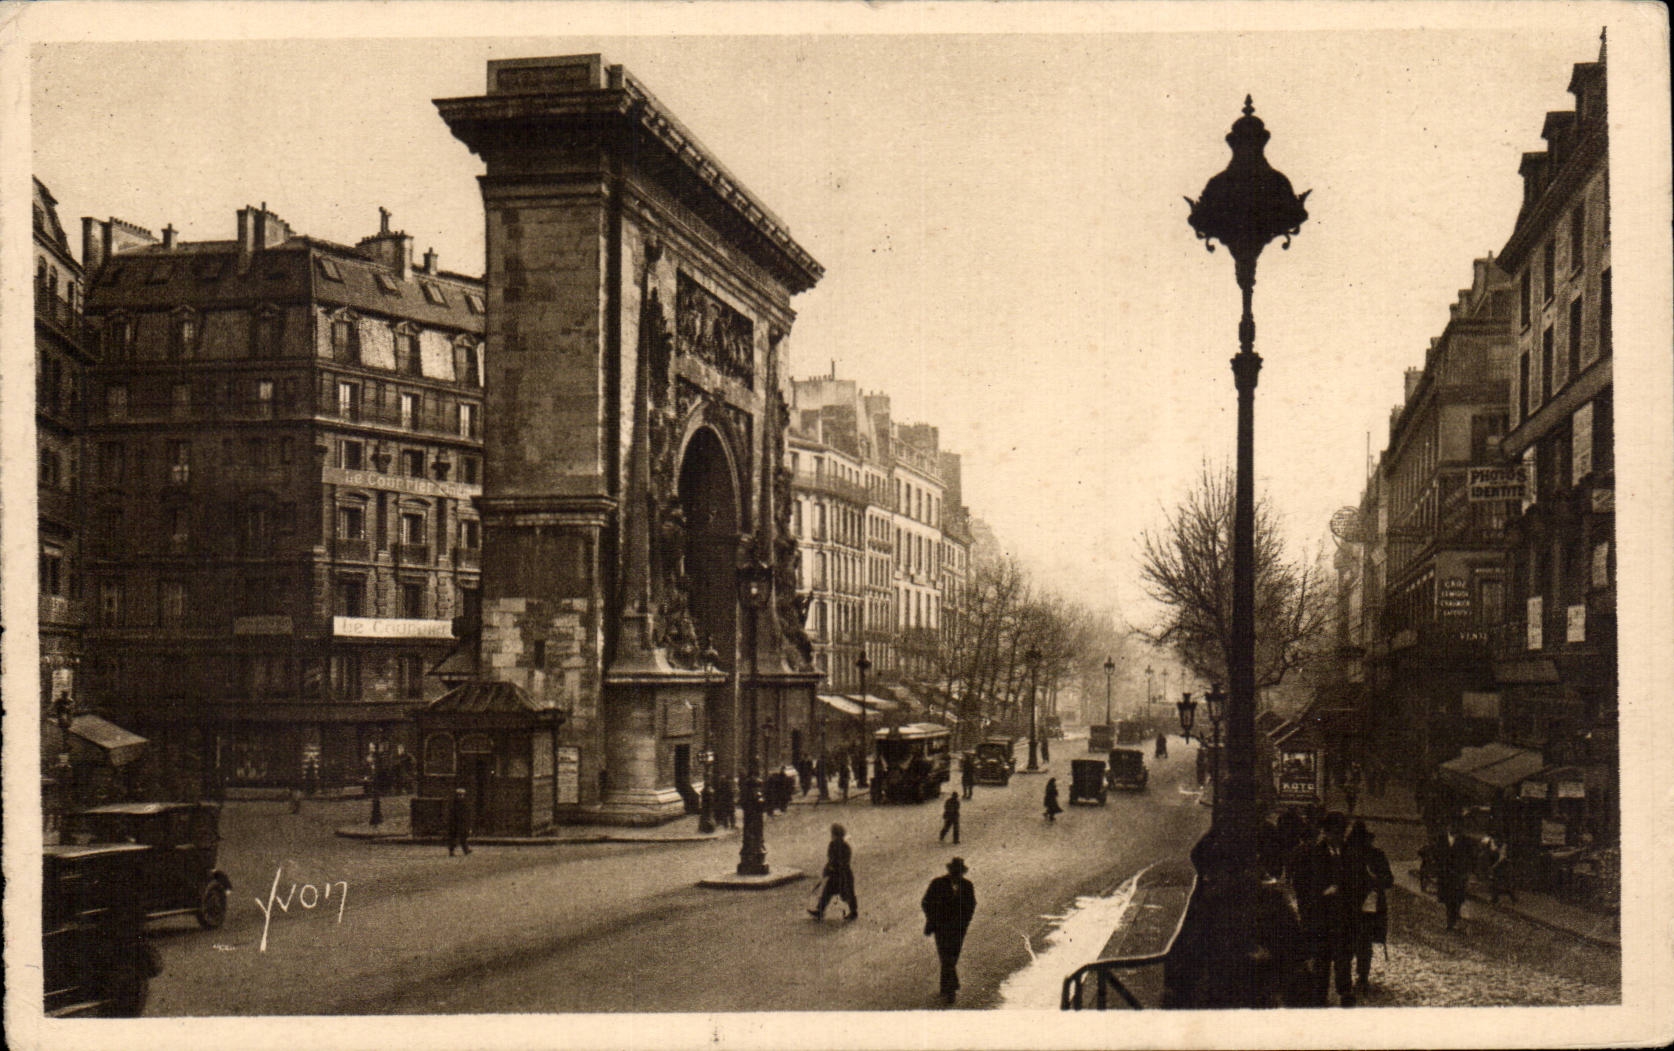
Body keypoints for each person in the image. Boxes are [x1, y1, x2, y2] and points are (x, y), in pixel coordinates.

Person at [1289, 810, 1355, 1006]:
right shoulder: (1312, 855)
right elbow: (1302, 887)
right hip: (1320, 916)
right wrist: (1322, 894)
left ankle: (1345, 993)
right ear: (1325, 833)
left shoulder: (1350, 853)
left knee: (1343, 957)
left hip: (1343, 916)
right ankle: (1320, 996)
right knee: (1322, 958)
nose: (1338, 837)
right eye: (1334, 833)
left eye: (1341, 833)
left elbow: (1358, 880)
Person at [1344, 820, 1393, 996]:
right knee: (1350, 942)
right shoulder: (1346, 855)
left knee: (1362, 943)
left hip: (1367, 908)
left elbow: (1388, 880)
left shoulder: (1376, 856)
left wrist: (1375, 880)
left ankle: (1362, 977)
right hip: (1349, 907)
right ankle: (1350, 976)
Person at [921, 857, 977, 1005]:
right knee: (947, 957)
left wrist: (965, 921)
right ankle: (951, 988)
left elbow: (971, 905)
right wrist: (932, 919)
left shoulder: (967, 886)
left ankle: (945, 986)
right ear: (950, 872)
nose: (957, 875)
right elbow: (926, 902)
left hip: (958, 928)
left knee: (951, 957)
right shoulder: (938, 884)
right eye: (955, 872)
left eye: (959, 873)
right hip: (941, 927)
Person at [809, 823, 858, 921]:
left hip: (844, 875)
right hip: (835, 875)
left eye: (834, 834)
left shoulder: (845, 847)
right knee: (827, 891)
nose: (833, 836)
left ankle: (853, 912)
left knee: (847, 893)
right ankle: (820, 910)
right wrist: (827, 869)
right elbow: (830, 859)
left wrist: (832, 868)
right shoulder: (833, 845)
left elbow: (844, 862)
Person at [1435, 821, 1475, 931]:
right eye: (1451, 825)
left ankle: (1454, 918)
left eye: (1455, 826)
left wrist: (1467, 872)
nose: (1453, 828)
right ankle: (1450, 921)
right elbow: (1437, 854)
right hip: (1445, 875)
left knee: (1457, 898)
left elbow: (1469, 857)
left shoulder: (1465, 841)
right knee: (1448, 899)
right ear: (1447, 827)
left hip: (1459, 875)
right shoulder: (1442, 839)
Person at [1484, 834, 1517, 905]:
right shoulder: (1496, 845)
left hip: (1503, 867)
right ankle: (1495, 898)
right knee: (1496, 882)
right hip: (1499, 867)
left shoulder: (1503, 846)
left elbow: (1502, 858)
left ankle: (1510, 896)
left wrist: (1494, 866)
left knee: (1501, 882)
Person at [446, 787, 472, 856]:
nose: (460, 796)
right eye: (459, 795)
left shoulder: (465, 803)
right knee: (454, 838)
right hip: (455, 823)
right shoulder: (454, 804)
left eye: (462, 795)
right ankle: (452, 851)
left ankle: (466, 850)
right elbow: (452, 814)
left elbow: (467, 815)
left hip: (462, 823)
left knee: (463, 837)